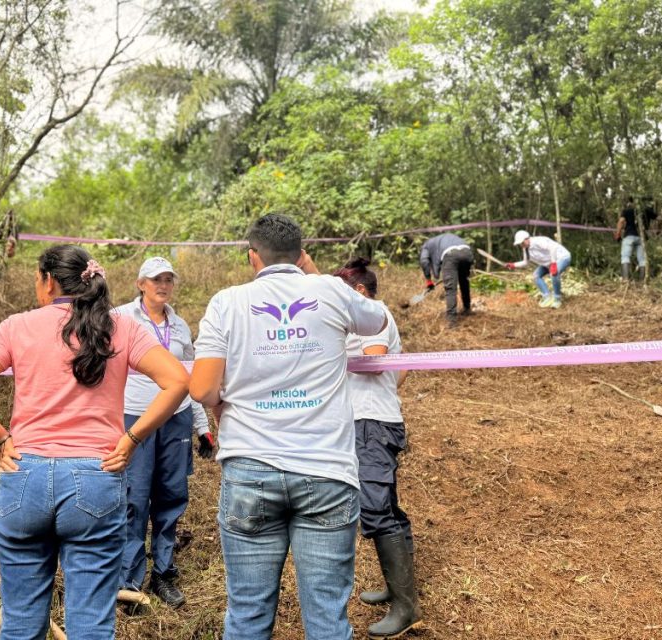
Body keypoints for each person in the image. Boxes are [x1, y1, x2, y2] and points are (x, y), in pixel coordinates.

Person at [0, 245, 189, 640]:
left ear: (49, 281)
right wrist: (131, 439)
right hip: (96, 479)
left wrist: (1, 438)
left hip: (24, 478)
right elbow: (177, 381)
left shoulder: (18, 326)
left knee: (21, 624)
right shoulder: (121, 327)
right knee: (91, 625)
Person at [190, 213, 388, 640]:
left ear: (252, 257)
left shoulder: (227, 302)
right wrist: (317, 276)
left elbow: (202, 389)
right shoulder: (330, 290)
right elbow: (378, 321)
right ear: (301, 254)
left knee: (247, 613)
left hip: (250, 469)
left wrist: (225, 402)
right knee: (328, 617)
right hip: (326, 471)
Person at [114, 256, 214, 608]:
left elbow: (190, 377)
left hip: (177, 418)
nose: (163, 285)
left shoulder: (181, 325)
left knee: (171, 494)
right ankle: (129, 580)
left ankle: (164, 574)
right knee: (133, 497)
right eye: (156, 279)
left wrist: (203, 426)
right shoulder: (119, 318)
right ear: (140, 283)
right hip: (135, 417)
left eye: (169, 279)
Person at [334, 257, 421, 638]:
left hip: (371, 424)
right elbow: (401, 370)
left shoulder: (375, 314)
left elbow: (375, 361)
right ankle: (399, 588)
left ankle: (406, 607)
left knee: (374, 507)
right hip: (372, 420)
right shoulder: (366, 317)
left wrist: (330, 360)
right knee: (387, 505)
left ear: (359, 292)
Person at [505, 230, 571, 309]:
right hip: (549, 262)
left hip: (562, 257)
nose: (521, 245)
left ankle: (557, 299)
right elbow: (525, 262)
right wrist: (513, 265)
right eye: (520, 244)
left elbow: (553, 247)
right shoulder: (526, 249)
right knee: (536, 275)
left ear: (527, 239)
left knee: (554, 273)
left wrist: (553, 263)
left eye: (522, 243)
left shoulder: (538, 241)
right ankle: (547, 297)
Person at [418, 233, 473, 326]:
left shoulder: (426, 246)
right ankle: (467, 308)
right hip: (467, 252)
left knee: (450, 288)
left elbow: (424, 261)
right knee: (464, 281)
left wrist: (429, 280)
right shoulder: (440, 239)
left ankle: (452, 320)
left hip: (450, 254)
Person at [614, 195, 657, 280]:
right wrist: (658, 230)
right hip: (642, 237)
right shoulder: (647, 211)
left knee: (625, 257)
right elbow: (660, 218)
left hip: (629, 236)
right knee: (642, 260)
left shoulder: (627, 211)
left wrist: (617, 234)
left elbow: (621, 221)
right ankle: (642, 281)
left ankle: (625, 280)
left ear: (632, 202)